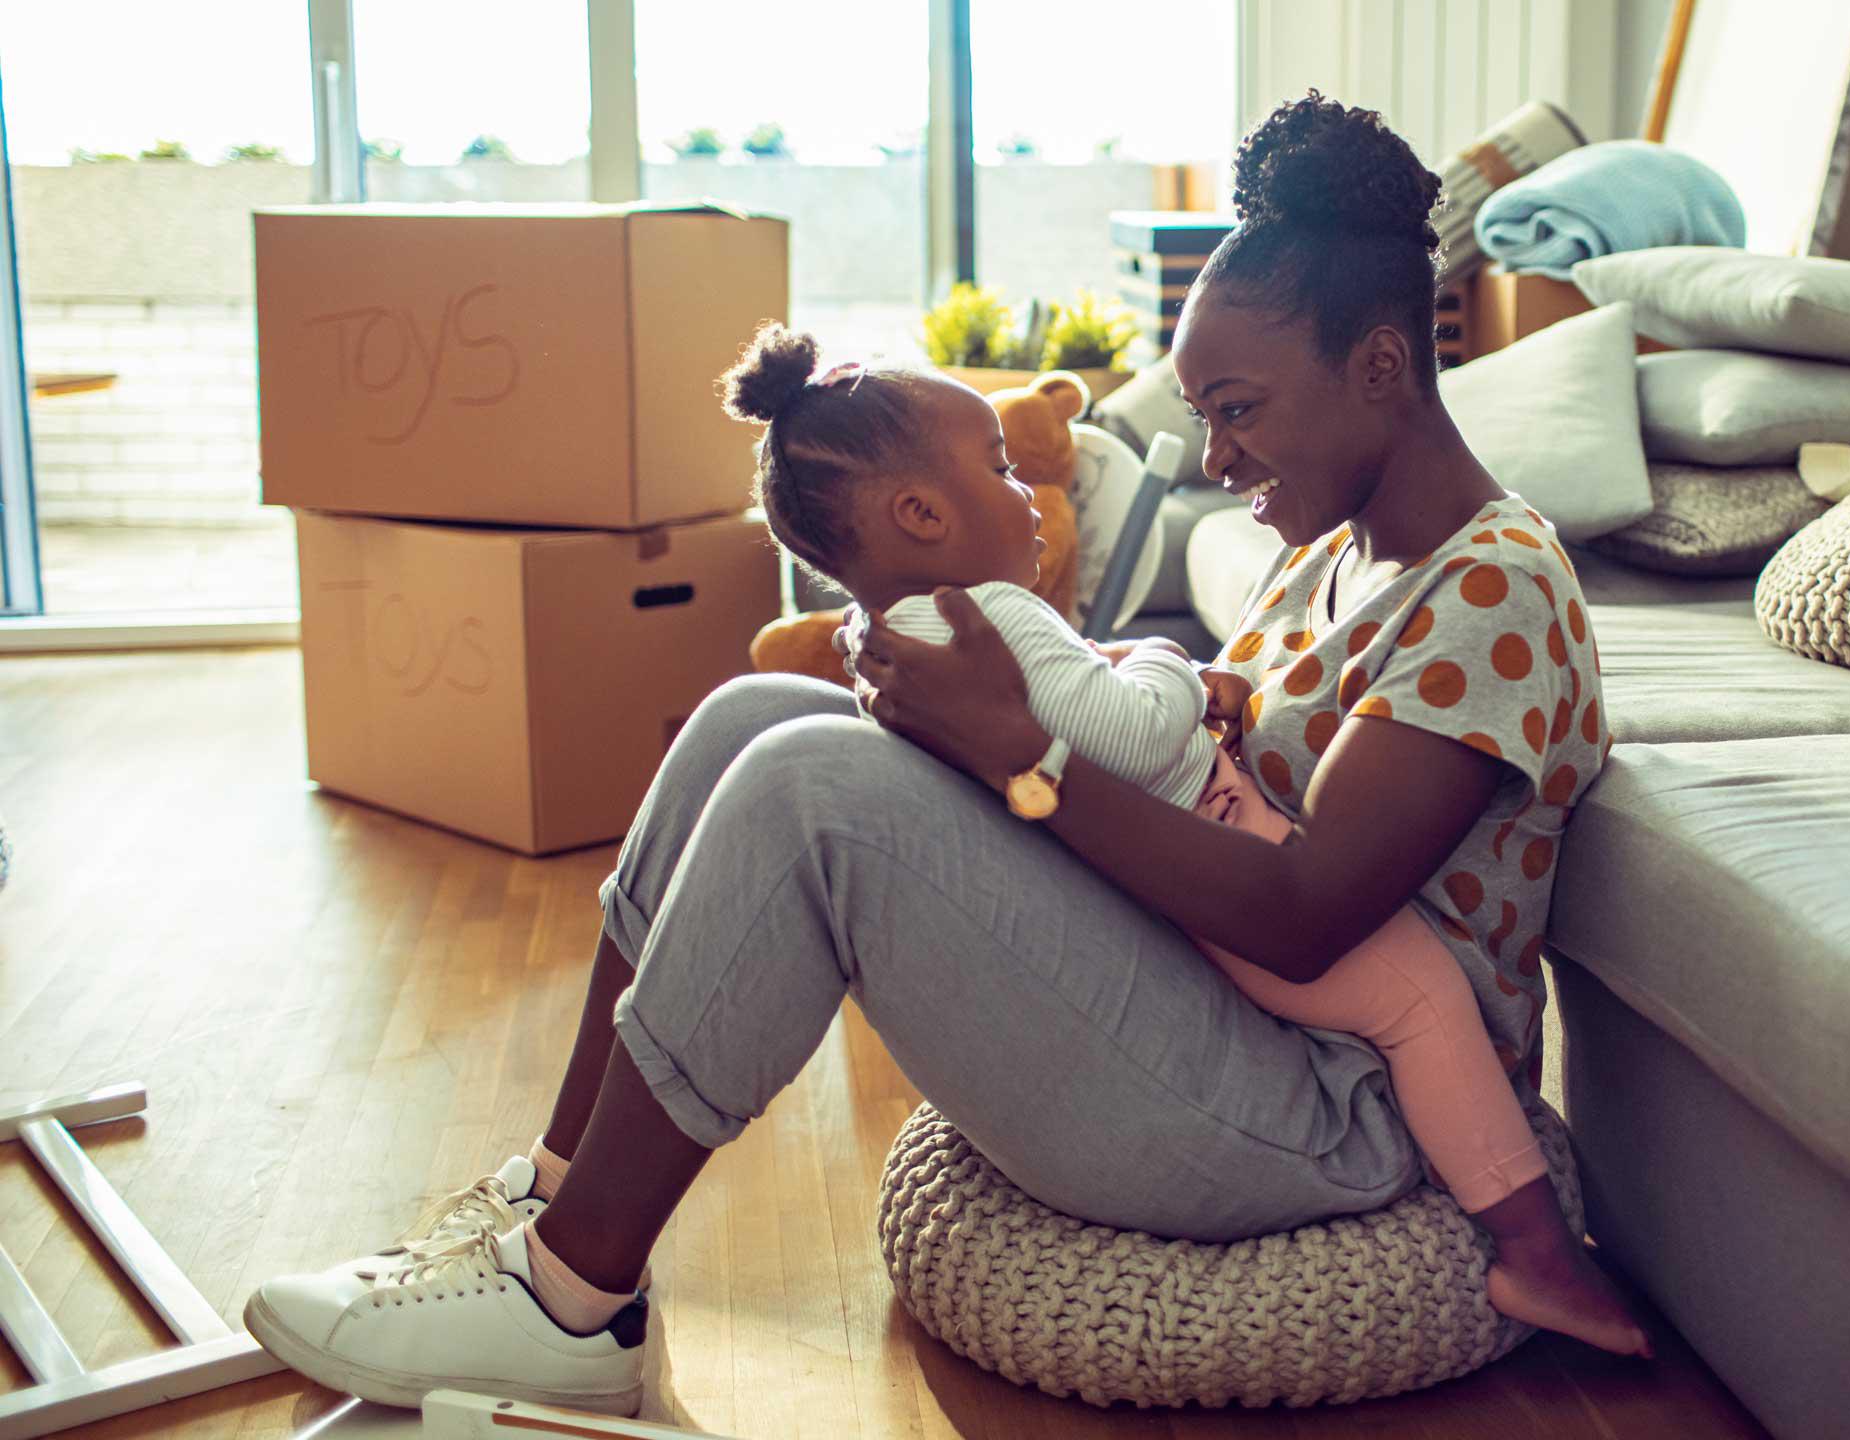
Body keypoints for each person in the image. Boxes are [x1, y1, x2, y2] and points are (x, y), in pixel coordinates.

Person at [242, 92, 1636, 1417]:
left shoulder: (1494, 586)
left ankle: (565, 1303)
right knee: (754, 722)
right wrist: (984, 724)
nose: (1213, 454)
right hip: (1221, 996)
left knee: (815, 790)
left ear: (1382, 368)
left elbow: (1311, 909)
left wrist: (1019, 754)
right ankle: (552, 1200)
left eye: (1239, 410)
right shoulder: (1328, 552)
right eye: (1207, 412)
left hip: (1341, 1104)